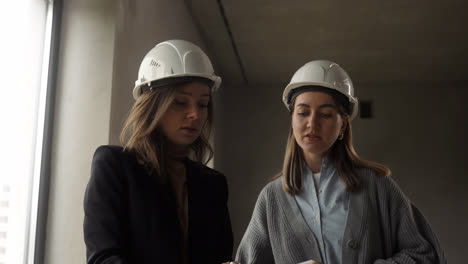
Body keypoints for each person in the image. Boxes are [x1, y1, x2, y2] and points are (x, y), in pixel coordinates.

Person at [235, 60, 446, 264]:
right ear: (292, 120)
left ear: (343, 125)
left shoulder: (377, 186)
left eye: (325, 114)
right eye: (302, 113)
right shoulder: (271, 199)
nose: (312, 123)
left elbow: (425, 255)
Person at [83, 40, 233, 264]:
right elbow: (103, 259)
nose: (195, 114)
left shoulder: (213, 185)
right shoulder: (114, 167)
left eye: (202, 104)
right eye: (180, 102)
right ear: (153, 105)